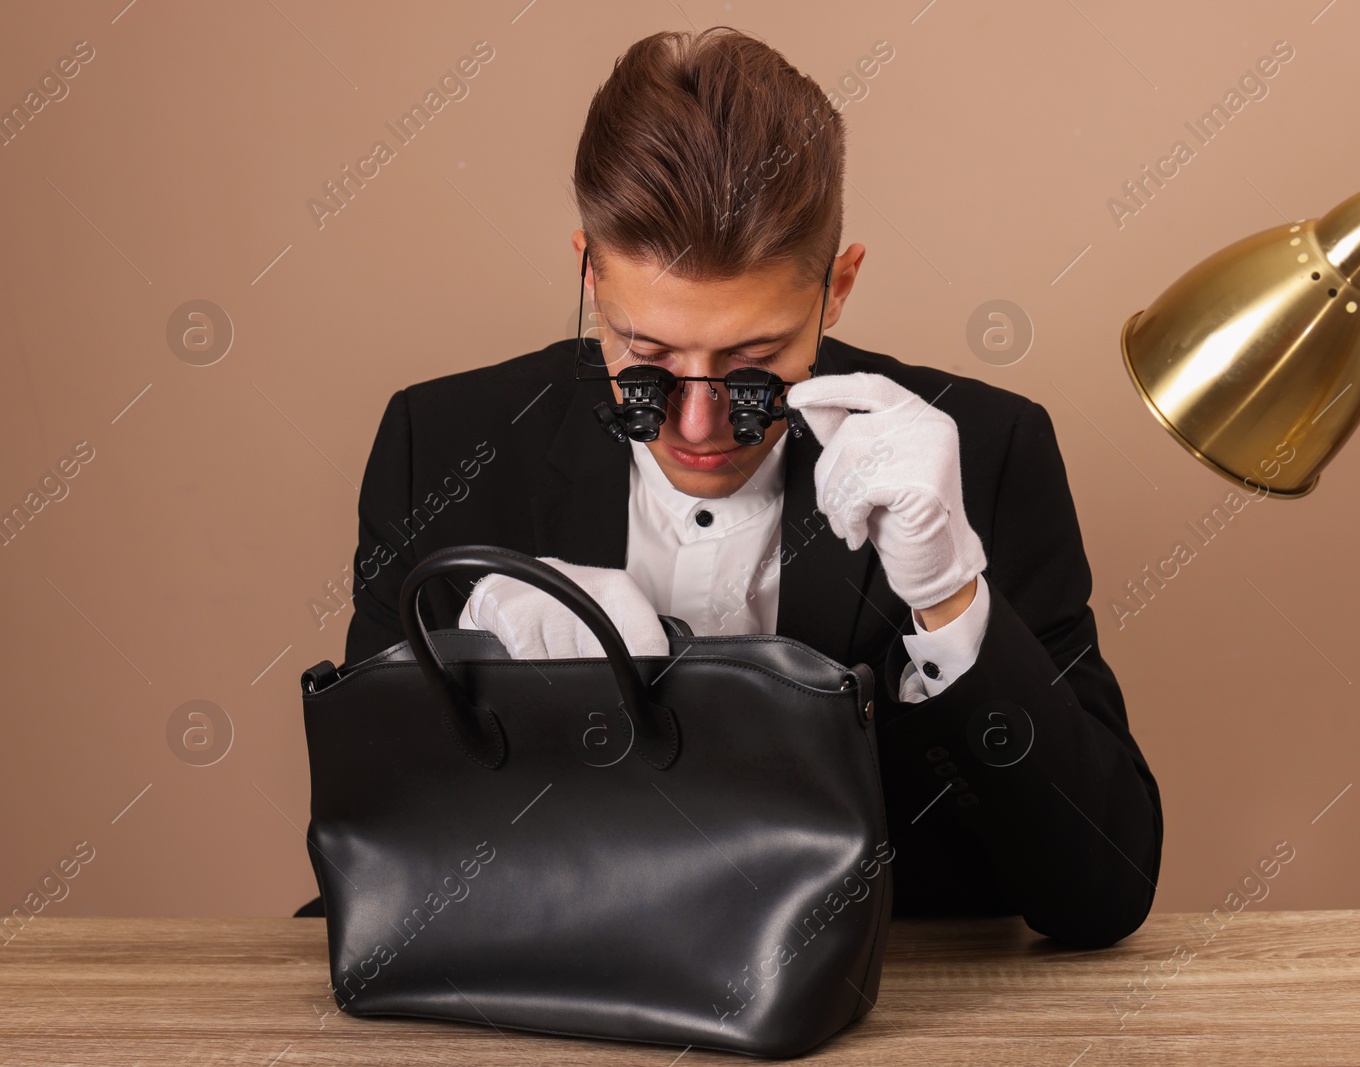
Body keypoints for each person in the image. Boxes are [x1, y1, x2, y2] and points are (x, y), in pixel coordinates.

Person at [305, 26, 1161, 948]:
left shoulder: (989, 450)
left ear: (836, 289)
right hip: (545, 994)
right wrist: (491, 666)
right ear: (591, 275)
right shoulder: (441, 446)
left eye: (755, 365)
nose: (699, 425)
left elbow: (1101, 888)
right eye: (646, 358)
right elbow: (374, 848)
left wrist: (952, 602)